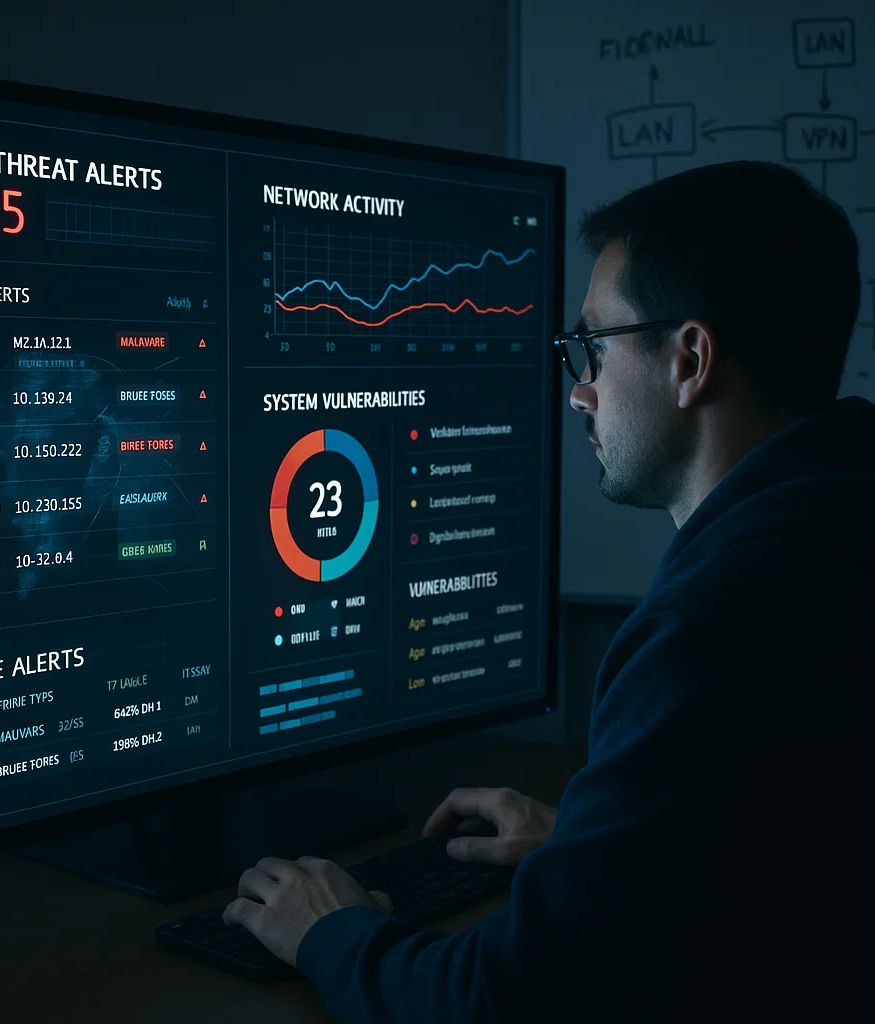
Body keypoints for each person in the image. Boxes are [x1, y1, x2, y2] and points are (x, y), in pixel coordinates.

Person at [222, 160, 872, 1020]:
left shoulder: (716, 626)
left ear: (690, 360)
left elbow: (506, 1001)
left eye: (593, 347)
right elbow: (793, 847)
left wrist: (329, 931)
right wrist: (595, 848)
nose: (579, 392)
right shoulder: (838, 523)